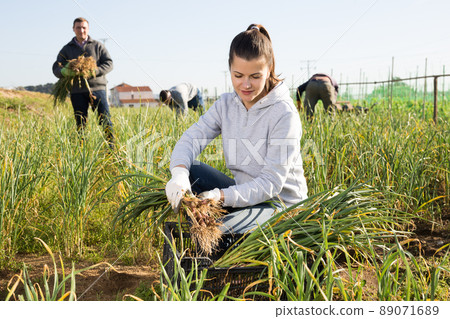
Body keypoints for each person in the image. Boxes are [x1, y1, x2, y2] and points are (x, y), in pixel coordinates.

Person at [165, 24, 308, 236]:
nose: (246, 85)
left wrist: (220, 196)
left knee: (218, 235)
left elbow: (271, 183)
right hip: (245, 196)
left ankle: (218, 233)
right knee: (191, 170)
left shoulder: (284, 113)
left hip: (280, 207)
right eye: (238, 75)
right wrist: (178, 174)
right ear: (230, 68)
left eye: (255, 76)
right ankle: (212, 224)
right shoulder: (226, 104)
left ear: (269, 69)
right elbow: (192, 138)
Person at [52, 17, 114, 148]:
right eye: (78, 28)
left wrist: (94, 71)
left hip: (98, 89)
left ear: (88, 29)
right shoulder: (67, 49)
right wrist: (65, 72)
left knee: (105, 120)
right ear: (73, 29)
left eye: (84, 27)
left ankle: (111, 150)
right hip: (77, 91)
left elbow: (109, 63)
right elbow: (56, 67)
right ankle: (82, 151)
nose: (81, 30)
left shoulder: (97, 46)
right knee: (80, 122)